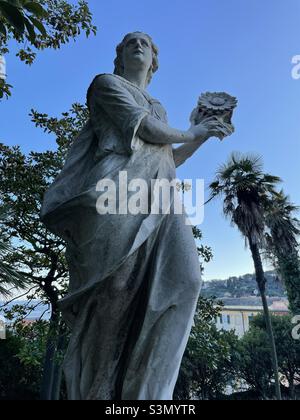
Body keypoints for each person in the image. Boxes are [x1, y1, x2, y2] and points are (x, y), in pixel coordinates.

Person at [40, 32, 232, 400]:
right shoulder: (106, 85)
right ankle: (97, 392)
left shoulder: (159, 107)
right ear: (120, 55)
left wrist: (203, 134)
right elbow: (144, 128)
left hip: (161, 196)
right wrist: (191, 129)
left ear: (154, 60)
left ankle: (146, 396)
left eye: (145, 43)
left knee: (187, 279)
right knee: (114, 289)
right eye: (130, 42)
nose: (138, 45)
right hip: (115, 188)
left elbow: (168, 158)